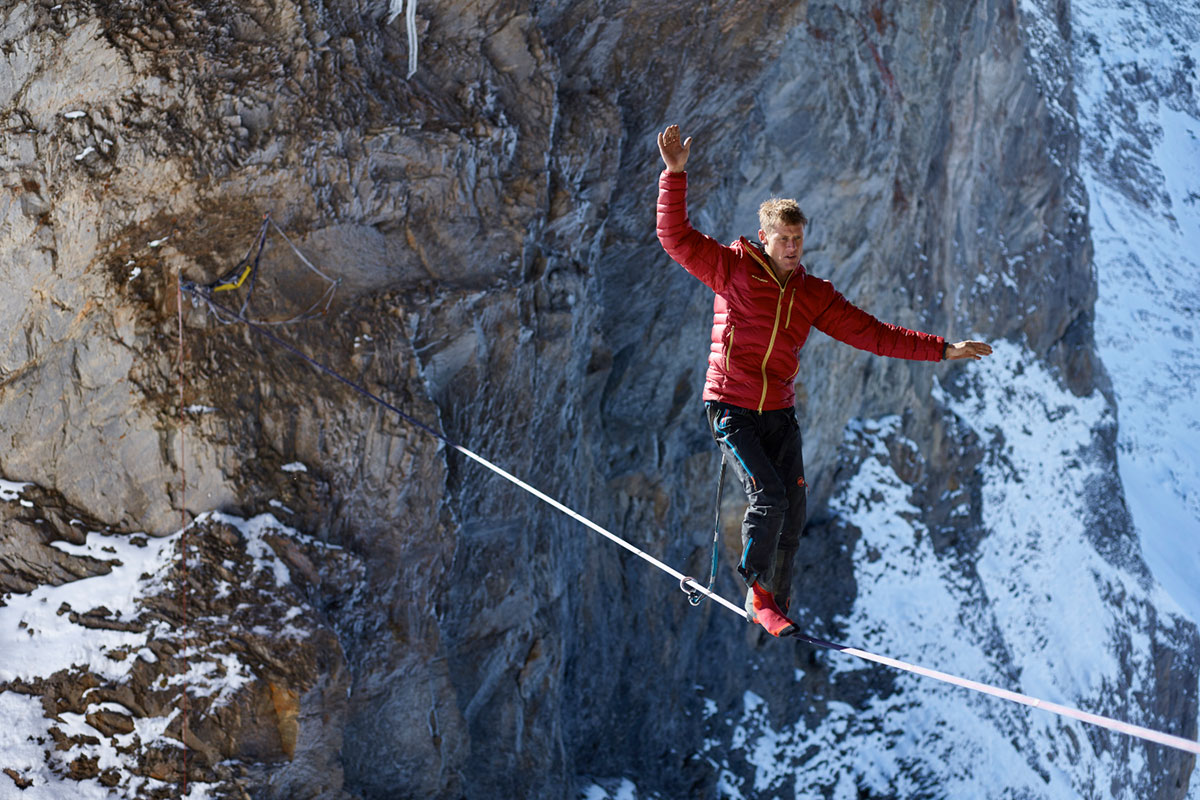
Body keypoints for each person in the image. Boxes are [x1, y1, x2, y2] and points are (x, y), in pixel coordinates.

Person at [655, 124, 992, 637]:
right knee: (767, 495)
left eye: (798, 239)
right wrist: (674, 176)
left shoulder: (813, 294)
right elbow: (674, 238)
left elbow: (873, 334)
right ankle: (755, 592)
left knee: (795, 507)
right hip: (731, 404)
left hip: (779, 411)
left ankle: (778, 600)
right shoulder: (734, 270)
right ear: (763, 237)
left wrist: (944, 349)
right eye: (783, 240)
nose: (792, 247)